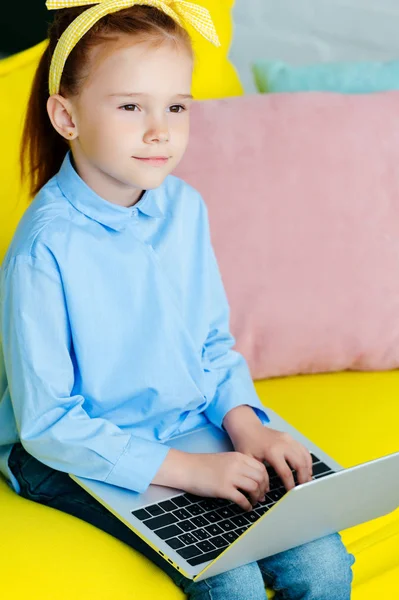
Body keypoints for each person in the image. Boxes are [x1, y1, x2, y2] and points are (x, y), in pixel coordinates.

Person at [0, 1, 355, 598]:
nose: (160, 129)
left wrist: (247, 424)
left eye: (176, 106)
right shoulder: (44, 249)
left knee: (323, 567)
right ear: (66, 116)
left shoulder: (184, 209)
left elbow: (211, 345)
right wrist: (192, 472)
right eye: (131, 105)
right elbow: (48, 422)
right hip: (70, 449)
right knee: (232, 584)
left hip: (183, 424)